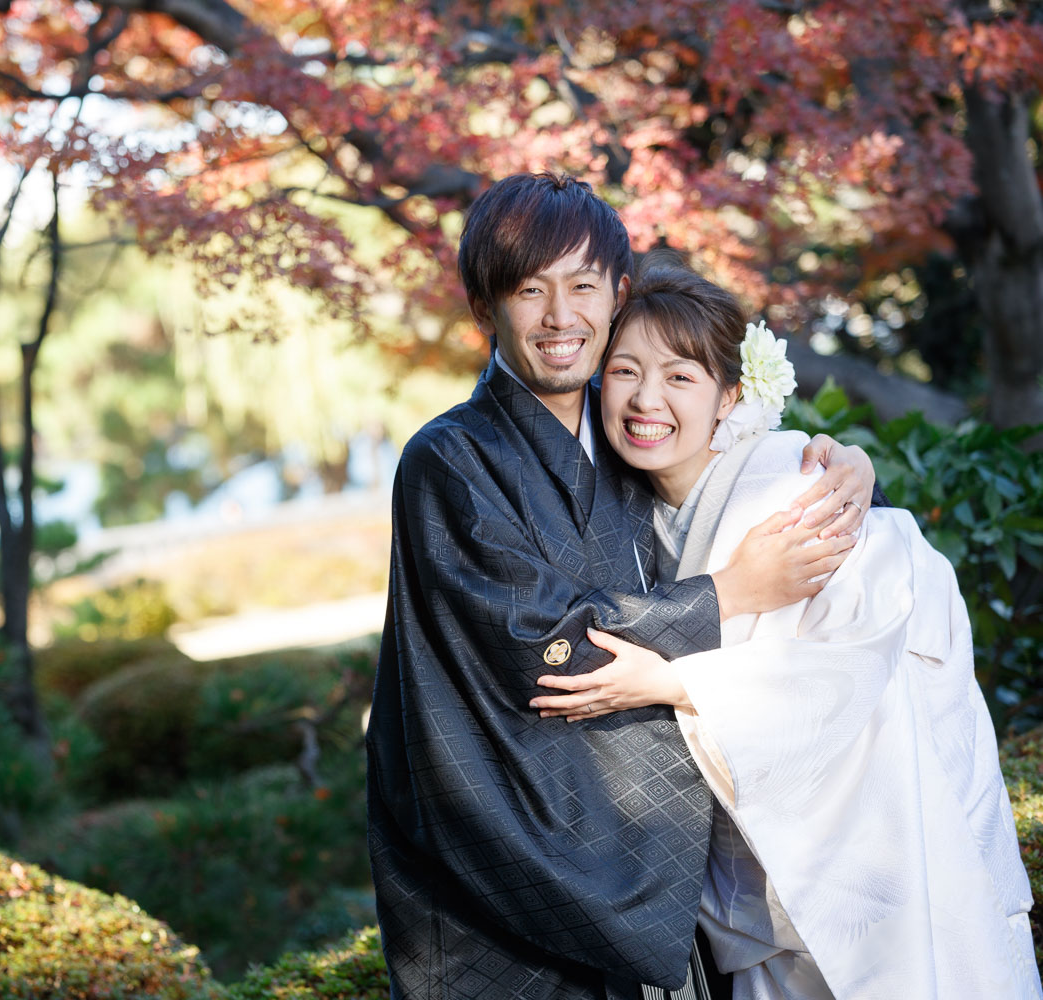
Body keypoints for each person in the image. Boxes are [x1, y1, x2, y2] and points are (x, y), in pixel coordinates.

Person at [366, 172, 880, 1000]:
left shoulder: (626, 425)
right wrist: (729, 593)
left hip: (648, 847)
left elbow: (740, 478)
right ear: (483, 308)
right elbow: (549, 646)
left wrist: (845, 469)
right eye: (530, 290)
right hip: (506, 870)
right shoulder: (449, 461)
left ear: (619, 294)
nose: (561, 317)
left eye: (582, 285)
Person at [531, 252, 1041, 999]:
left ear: (729, 396)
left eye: (680, 376)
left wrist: (671, 681)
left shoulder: (796, 487)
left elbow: (843, 672)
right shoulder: (632, 512)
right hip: (761, 884)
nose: (646, 399)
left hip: (876, 860)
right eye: (624, 371)